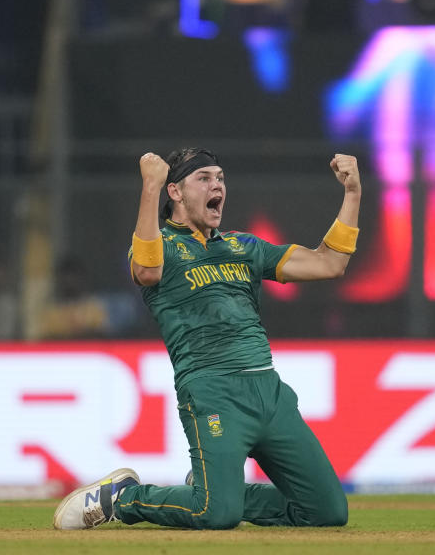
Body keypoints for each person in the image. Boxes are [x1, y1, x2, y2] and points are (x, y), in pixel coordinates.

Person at [54, 147, 360, 531]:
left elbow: (329, 263)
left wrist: (352, 195)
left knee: (328, 512)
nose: (217, 185)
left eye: (220, 178)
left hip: (269, 391)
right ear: (176, 192)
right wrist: (150, 186)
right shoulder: (159, 246)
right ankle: (123, 497)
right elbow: (146, 273)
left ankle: (214, 489)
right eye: (204, 178)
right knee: (215, 515)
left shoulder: (243, 247)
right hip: (213, 391)